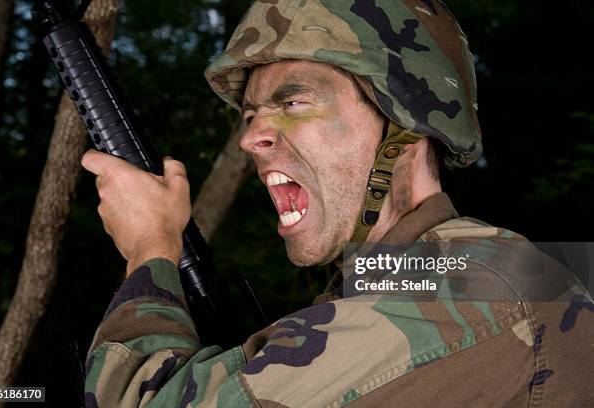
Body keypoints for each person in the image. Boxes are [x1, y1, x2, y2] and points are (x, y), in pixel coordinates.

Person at [81, 0, 594, 406]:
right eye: (253, 113)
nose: (252, 135)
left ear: (407, 128)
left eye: (294, 102)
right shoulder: (414, 276)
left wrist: (151, 245)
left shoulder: (476, 287)